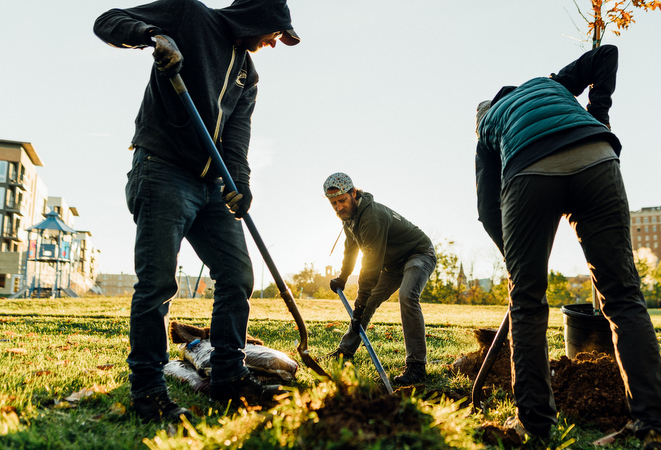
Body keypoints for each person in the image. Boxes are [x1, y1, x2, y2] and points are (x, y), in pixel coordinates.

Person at [93, 0, 300, 422]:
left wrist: (239, 185)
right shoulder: (190, 15)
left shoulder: (249, 72)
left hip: (212, 185)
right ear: (257, 15)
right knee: (157, 284)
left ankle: (227, 375)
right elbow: (107, 21)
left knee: (238, 274)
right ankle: (148, 391)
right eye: (276, 33)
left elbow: (237, 138)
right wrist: (153, 37)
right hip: (163, 168)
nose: (274, 43)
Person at [474, 45, 661, 448]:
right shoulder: (549, 85)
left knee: (528, 302)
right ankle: (656, 425)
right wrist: (598, 115)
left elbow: (487, 210)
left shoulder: (487, 126)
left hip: (529, 170)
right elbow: (606, 54)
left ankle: (534, 427)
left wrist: (519, 262)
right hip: (596, 156)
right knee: (622, 294)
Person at [323, 173, 437, 386]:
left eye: (342, 201)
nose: (338, 207)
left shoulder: (371, 217)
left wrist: (359, 302)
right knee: (368, 303)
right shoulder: (349, 218)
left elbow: (371, 263)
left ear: (353, 193)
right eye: (333, 204)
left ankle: (416, 365)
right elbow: (350, 251)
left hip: (418, 253)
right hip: (393, 264)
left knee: (407, 295)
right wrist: (343, 276)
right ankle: (345, 352)